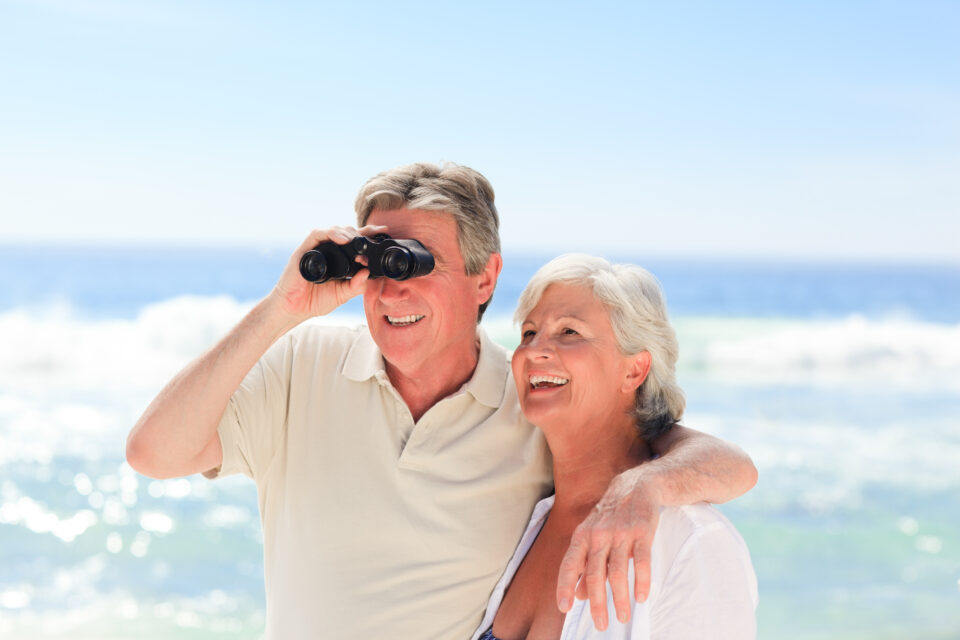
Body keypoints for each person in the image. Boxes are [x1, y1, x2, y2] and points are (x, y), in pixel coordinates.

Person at [126, 162, 757, 639]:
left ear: (484, 278)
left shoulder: (535, 406)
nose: (392, 291)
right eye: (379, 263)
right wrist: (279, 310)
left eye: (415, 262)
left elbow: (682, 447)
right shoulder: (301, 367)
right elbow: (154, 453)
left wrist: (645, 488)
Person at [472, 254, 757, 640]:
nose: (535, 350)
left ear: (634, 370)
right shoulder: (528, 516)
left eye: (569, 332)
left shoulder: (693, 542)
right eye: (528, 333)